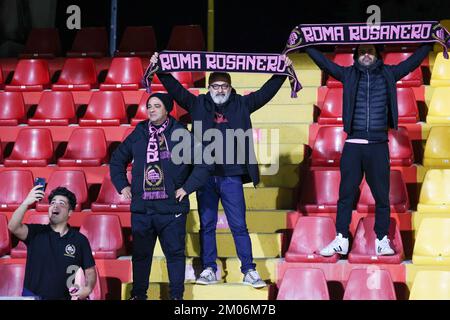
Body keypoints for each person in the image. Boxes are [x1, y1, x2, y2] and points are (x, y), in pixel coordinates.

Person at [150, 52, 293, 288]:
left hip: (231, 176)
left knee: (239, 225)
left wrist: (281, 72)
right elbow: (175, 90)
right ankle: (209, 268)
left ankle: (249, 270)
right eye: (215, 85)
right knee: (207, 225)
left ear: (230, 87)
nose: (219, 89)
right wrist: (160, 69)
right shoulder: (197, 103)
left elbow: (266, 93)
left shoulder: (242, 104)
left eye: (223, 85)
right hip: (203, 177)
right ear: (209, 87)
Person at [304, 43, 432, 256]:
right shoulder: (348, 74)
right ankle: (341, 238)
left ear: (377, 55)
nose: (366, 55)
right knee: (345, 195)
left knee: (382, 197)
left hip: (378, 146)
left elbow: (412, 63)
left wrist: (428, 44)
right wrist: (306, 47)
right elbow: (324, 63)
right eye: (362, 52)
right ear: (356, 55)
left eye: (370, 51)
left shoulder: (389, 73)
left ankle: (382, 239)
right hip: (353, 146)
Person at [110, 92, 212, 300]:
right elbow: (117, 160)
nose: (152, 110)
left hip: (171, 209)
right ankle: (139, 295)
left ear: (167, 109)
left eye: (157, 106)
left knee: (174, 256)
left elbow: (204, 162)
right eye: (149, 106)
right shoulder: (139, 133)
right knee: (141, 257)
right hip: (142, 209)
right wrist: (123, 186)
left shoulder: (181, 134)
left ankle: (176, 297)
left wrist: (187, 188)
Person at [8, 186, 96, 300]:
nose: (55, 205)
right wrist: (26, 203)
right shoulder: (36, 232)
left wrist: (88, 288)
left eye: (61, 203)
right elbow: (13, 226)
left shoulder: (80, 240)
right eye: (53, 202)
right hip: (32, 297)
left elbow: (90, 271)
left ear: (70, 212)